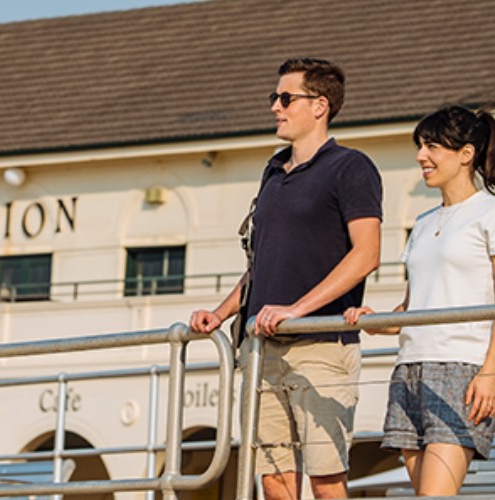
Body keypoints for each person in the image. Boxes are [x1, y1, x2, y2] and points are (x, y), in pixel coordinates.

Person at [189, 58, 382, 500]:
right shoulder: (274, 171)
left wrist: (297, 310)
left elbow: (367, 254)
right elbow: (264, 263)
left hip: (319, 346)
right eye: (274, 97)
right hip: (262, 349)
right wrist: (220, 314)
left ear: (320, 105)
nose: (275, 106)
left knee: (326, 481)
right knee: (273, 480)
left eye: (285, 98)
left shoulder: (351, 168)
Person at [343, 105, 495, 496]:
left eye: (432, 146)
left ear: (466, 154)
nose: (421, 156)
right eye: (420, 146)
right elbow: (412, 309)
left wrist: (490, 372)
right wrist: (372, 320)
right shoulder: (422, 223)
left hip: (461, 369)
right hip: (408, 369)